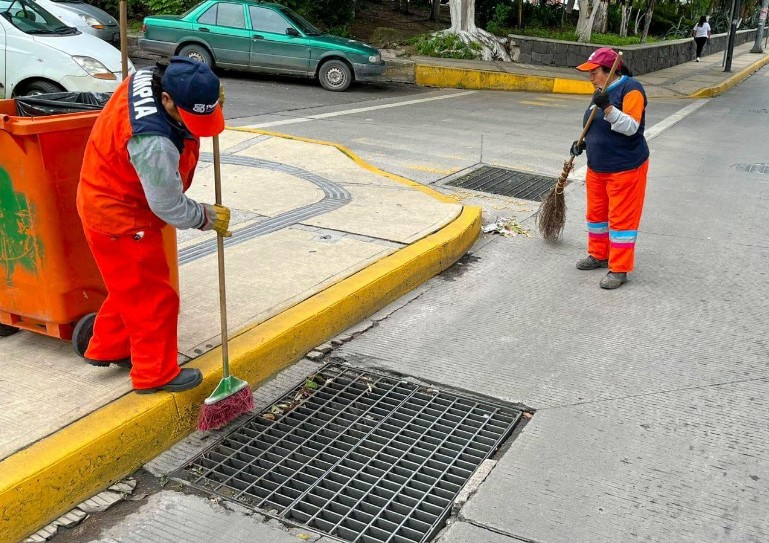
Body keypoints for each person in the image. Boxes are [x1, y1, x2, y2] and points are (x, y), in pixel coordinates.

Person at [77, 57, 231, 393]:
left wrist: (208, 93)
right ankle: (154, 374)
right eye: (187, 117)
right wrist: (206, 216)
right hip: (121, 215)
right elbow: (168, 206)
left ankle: (110, 347)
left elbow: (190, 65)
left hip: (102, 193)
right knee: (153, 298)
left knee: (130, 285)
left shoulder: (151, 76)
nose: (193, 127)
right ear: (167, 100)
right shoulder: (153, 142)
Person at [570, 47, 650, 290]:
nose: (590, 77)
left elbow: (631, 127)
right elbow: (595, 123)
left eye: (594, 72)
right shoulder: (601, 90)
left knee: (621, 220)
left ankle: (619, 268)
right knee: (596, 215)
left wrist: (607, 108)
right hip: (598, 166)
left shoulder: (631, 89)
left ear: (609, 71)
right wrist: (581, 143)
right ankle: (598, 254)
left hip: (625, 167)